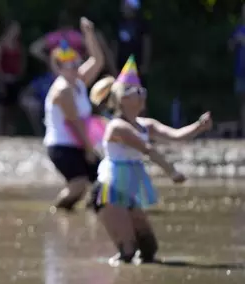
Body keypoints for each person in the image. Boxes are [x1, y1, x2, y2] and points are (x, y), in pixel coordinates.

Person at [89, 55, 212, 265]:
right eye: (135, 92)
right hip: (109, 190)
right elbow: (147, 149)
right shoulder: (117, 127)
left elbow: (176, 135)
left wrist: (198, 127)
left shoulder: (146, 124)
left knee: (148, 249)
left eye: (142, 92)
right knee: (127, 252)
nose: (141, 96)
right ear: (122, 99)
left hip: (128, 189)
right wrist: (172, 172)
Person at [43, 17, 105, 212]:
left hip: (78, 142)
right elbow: (75, 122)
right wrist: (89, 149)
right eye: (68, 64)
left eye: (76, 62)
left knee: (103, 180)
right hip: (62, 146)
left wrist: (89, 34)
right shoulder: (62, 90)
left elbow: (97, 60)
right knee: (78, 186)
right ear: (58, 68)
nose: (74, 66)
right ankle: (55, 211)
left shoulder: (78, 81)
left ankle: (94, 213)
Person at [0, 20, 26, 136]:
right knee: (1, 108)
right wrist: (1, 78)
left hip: (15, 79)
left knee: (12, 108)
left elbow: (22, 62)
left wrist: (19, 75)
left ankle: (10, 133)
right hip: (3, 80)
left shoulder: (18, 46)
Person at [230, 3, 245, 134]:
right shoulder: (239, 29)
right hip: (240, 70)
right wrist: (235, 41)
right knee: (241, 102)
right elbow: (230, 47)